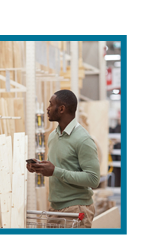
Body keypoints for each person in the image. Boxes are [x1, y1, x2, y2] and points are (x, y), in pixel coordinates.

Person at [27, 90, 100, 228]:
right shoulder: (53, 136)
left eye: (50, 104)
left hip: (76, 209)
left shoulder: (83, 139)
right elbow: (59, 168)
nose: (47, 108)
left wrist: (55, 171)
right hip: (54, 208)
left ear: (61, 109)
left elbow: (93, 179)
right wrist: (39, 167)